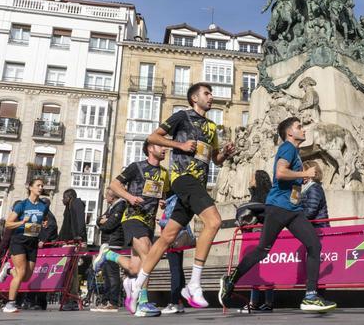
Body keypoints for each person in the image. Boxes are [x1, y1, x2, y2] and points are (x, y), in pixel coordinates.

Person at [130, 83, 235, 309]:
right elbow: (153, 137)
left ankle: (137, 285)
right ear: (194, 98)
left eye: (211, 93)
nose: (211, 97)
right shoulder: (181, 117)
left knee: (167, 237)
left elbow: (215, 159)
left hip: (198, 183)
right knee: (214, 221)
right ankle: (194, 284)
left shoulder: (211, 126)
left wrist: (224, 154)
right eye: (206, 93)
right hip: (182, 177)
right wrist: (180, 144)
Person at [219, 117, 337, 313]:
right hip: (279, 207)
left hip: (293, 209)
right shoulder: (288, 148)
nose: (304, 130)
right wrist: (304, 174)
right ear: (290, 133)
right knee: (262, 250)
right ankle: (230, 280)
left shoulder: (296, 152)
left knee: (314, 244)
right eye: (300, 127)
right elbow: (280, 173)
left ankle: (310, 296)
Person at [99, 139, 170, 317]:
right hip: (132, 218)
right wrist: (130, 197)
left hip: (149, 223)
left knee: (134, 268)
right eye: (161, 146)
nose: (165, 149)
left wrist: (163, 201)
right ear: (150, 148)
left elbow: (163, 195)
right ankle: (143, 302)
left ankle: (108, 254)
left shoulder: (164, 173)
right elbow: (114, 185)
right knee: (149, 255)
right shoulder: (136, 167)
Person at [0, 177, 49, 313]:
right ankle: (10, 304)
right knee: (21, 273)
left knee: (26, 277)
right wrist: (22, 222)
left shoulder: (43, 206)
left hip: (32, 242)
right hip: (19, 240)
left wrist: (43, 223)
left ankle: (8, 270)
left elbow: (43, 220)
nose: (40, 188)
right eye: (38, 185)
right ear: (30, 187)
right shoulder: (22, 205)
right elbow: (8, 223)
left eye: (42, 186)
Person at [238, 169, 275, 314]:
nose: (250, 180)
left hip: (260, 235)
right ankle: (265, 302)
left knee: (262, 269)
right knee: (258, 269)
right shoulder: (257, 195)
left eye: (252, 177)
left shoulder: (264, 198)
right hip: (256, 235)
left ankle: (256, 302)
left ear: (258, 180)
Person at [94, 187, 126, 312]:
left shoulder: (120, 206)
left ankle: (113, 301)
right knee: (106, 274)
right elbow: (98, 220)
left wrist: (103, 223)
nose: (105, 197)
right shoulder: (111, 207)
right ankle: (106, 300)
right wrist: (101, 221)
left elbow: (110, 224)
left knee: (112, 274)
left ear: (112, 196)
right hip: (107, 243)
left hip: (114, 243)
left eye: (107, 195)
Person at [58, 188, 87, 311]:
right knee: (68, 272)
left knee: (71, 273)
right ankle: (69, 298)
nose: (62, 200)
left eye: (64, 197)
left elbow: (80, 221)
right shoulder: (69, 207)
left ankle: (72, 299)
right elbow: (66, 226)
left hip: (73, 242)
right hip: (67, 242)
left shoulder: (76, 203)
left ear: (69, 197)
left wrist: (81, 237)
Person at [301, 160, 330, 228]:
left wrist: (296, 217)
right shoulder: (308, 188)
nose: (302, 174)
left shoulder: (314, 188)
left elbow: (310, 211)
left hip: (318, 227)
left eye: (304, 172)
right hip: (312, 226)